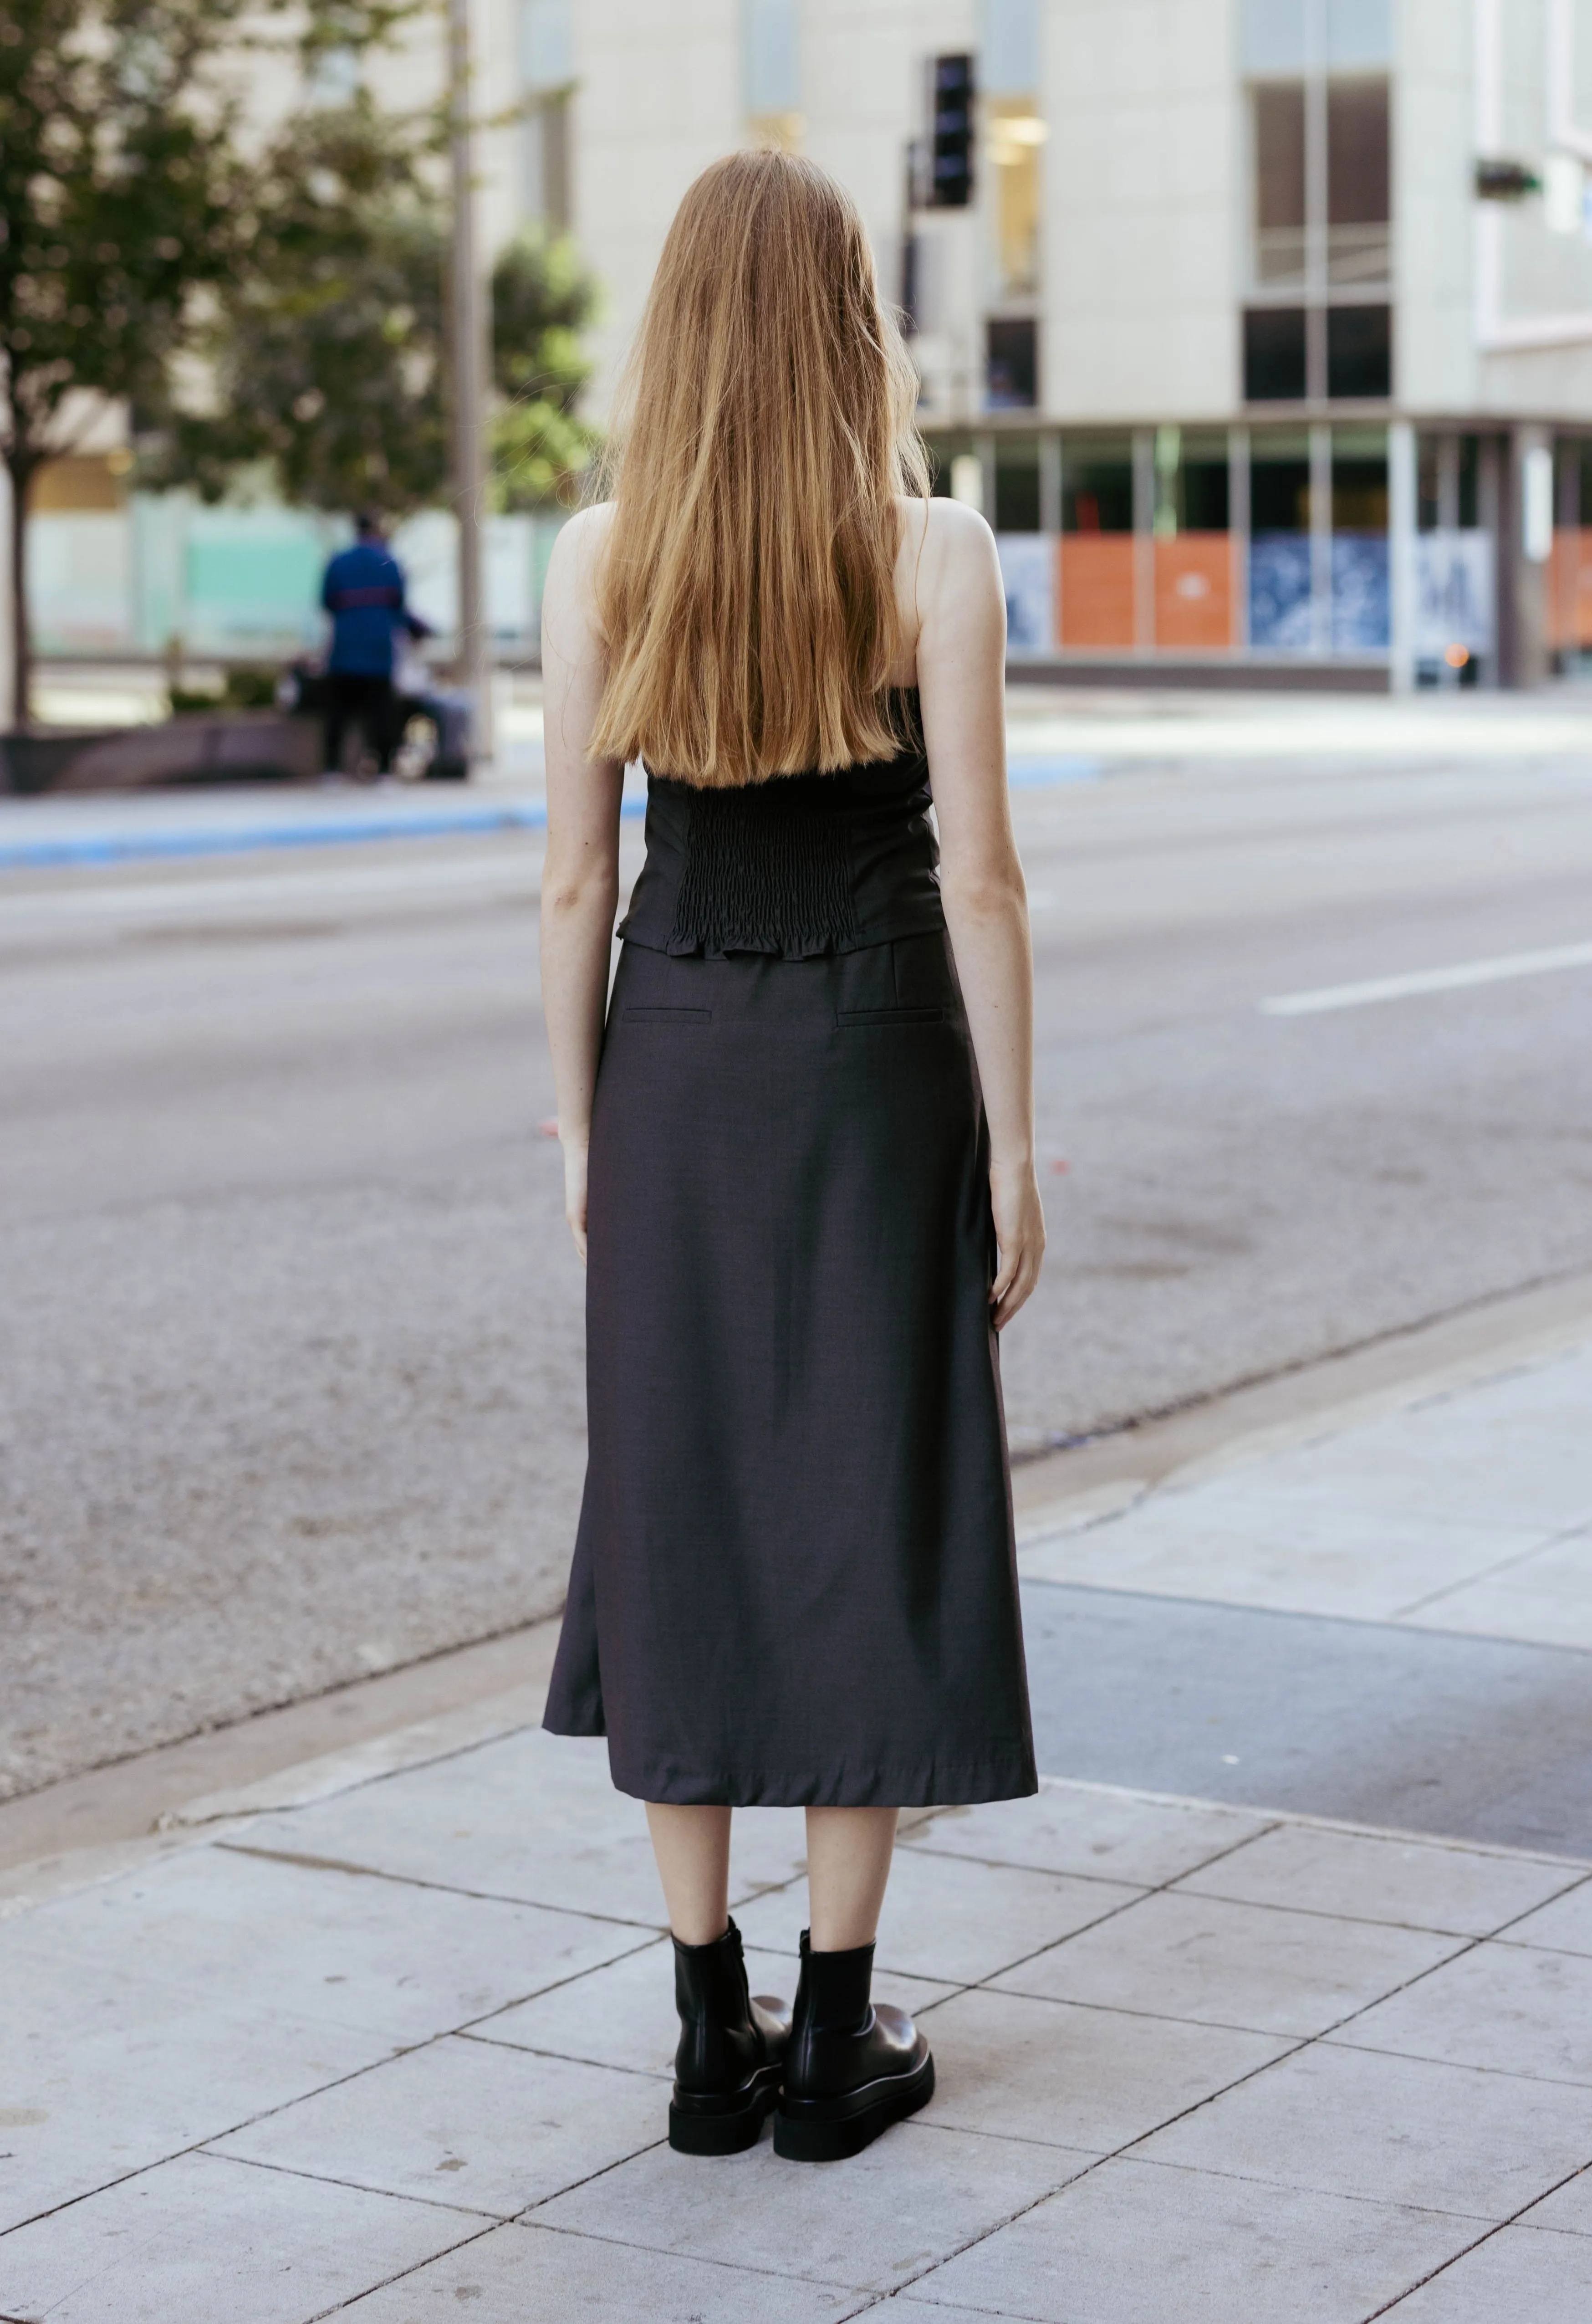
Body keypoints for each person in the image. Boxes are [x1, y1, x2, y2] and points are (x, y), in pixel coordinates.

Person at [538, 150, 1045, 2165]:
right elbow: (986, 881)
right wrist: (1014, 1150)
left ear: (675, 327)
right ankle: (834, 2036)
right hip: (872, 1051)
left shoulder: (598, 555)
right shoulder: (929, 550)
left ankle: (699, 2027)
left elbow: (578, 872)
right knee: (868, 1492)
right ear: (853, 321)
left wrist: (576, 1120)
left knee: (674, 1504)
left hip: (667, 1052)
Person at [319, 512, 407, 777]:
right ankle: (383, 770)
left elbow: (326, 601)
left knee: (339, 714)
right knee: (380, 713)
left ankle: (333, 770)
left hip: (345, 649)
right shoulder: (389, 563)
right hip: (379, 651)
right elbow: (400, 605)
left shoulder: (339, 562)